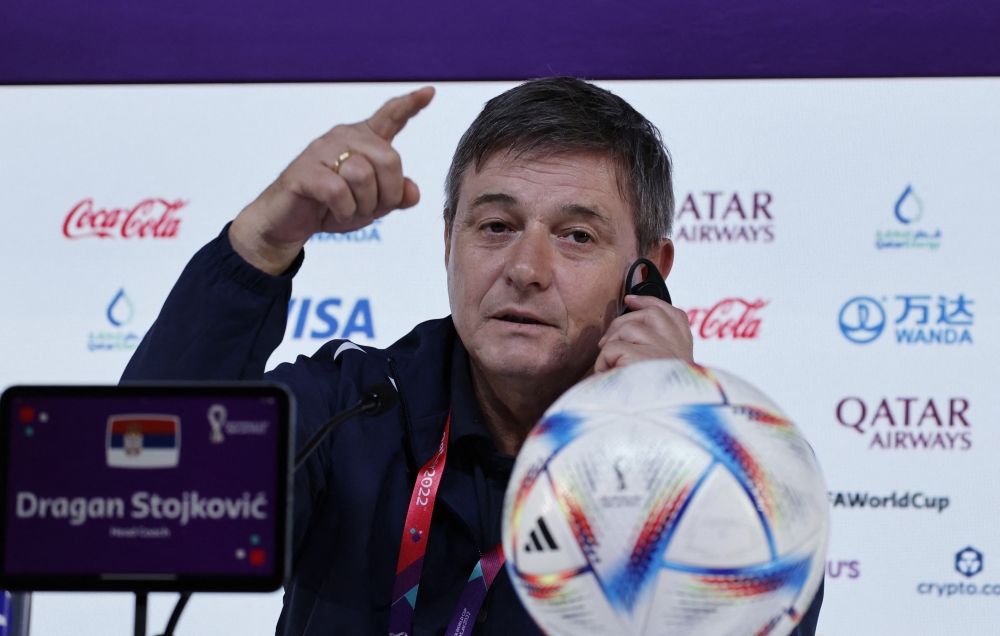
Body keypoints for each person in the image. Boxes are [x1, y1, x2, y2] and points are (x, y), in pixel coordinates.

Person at [123, 77, 822, 636]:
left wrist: (665, 438)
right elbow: (143, 505)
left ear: (648, 272)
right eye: (496, 225)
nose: (526, 267)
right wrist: (262, 241)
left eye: (577, 236)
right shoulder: (352, 408)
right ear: (448, 241)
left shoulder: (725, 467)